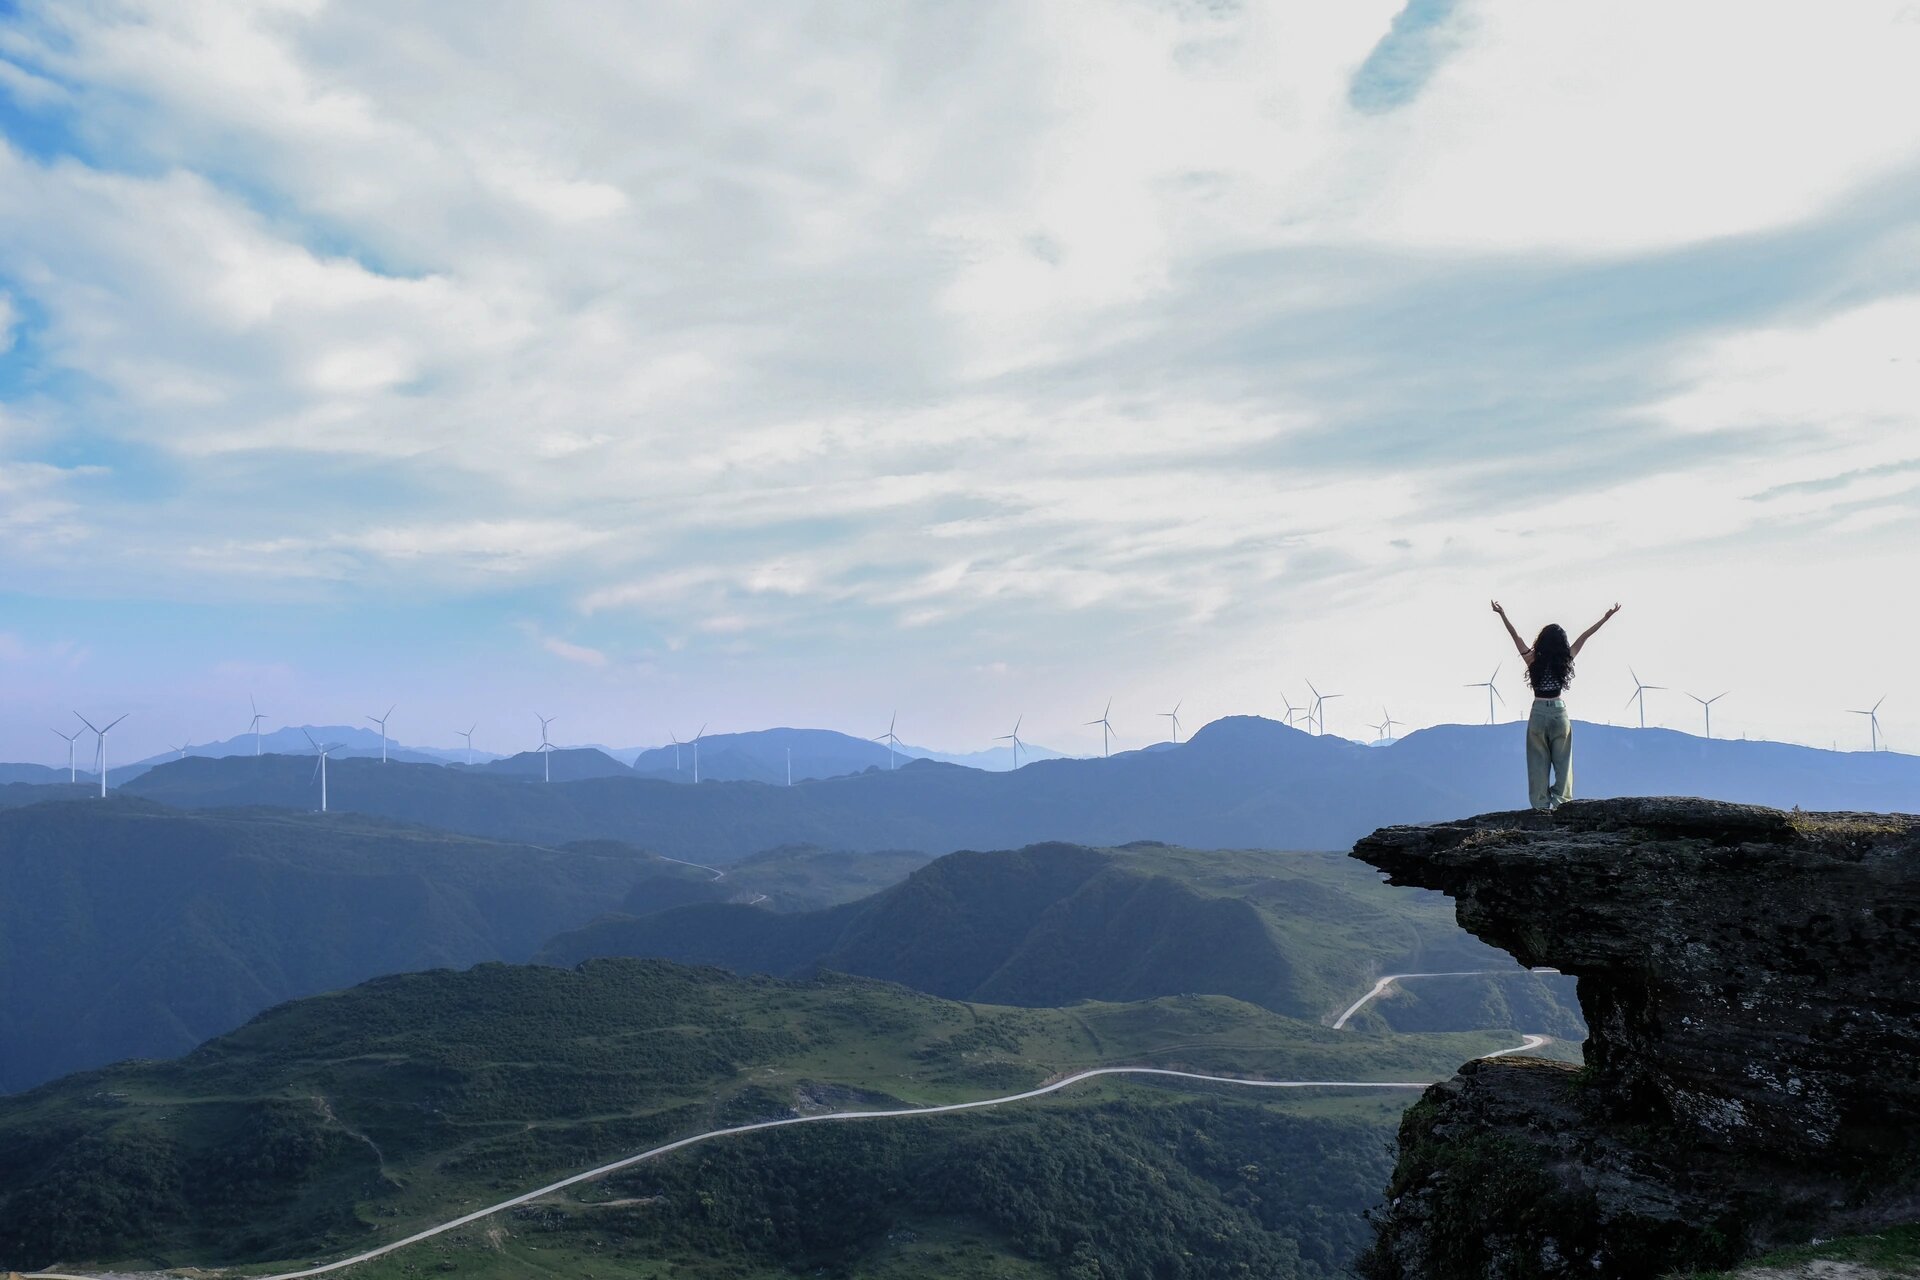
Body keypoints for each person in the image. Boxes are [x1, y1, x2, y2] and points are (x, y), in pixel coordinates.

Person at [1490, 600, 1620, 811]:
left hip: (1538, 711)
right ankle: (1561, 802)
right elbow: (1585, 636)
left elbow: (1516, 637)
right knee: (1563, 761)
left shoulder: (1532, 659)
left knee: (1537, 762)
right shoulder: (1566, 658)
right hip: (1560, 713)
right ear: (1561, 642)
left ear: (1541, 641)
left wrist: (1502, 614)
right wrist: (1606, 618)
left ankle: (1540, 805)